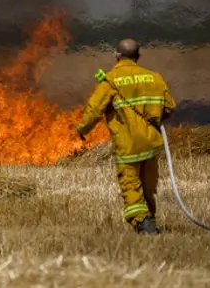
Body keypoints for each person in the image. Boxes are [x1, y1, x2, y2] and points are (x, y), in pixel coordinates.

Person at [74, 39, 177, 234]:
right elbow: (170, 107)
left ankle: (143, 224)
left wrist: (82, 129)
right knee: (148, 188)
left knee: (131, 185)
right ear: (138, 56)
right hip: (151, 144)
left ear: (117, 56)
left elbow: (94, 110)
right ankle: (150, 222)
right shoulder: (154, 77)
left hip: (128, 145)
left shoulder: (110, 80)